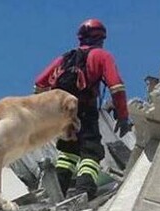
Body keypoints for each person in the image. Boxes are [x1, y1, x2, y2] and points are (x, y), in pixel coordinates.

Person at [33, 18, 132, 200]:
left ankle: (57, 193)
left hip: (62, 113)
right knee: (91, 152)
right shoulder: (101, 56)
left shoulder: (65, 58)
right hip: (85, 111)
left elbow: (40, 83)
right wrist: (123, 116)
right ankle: (84, 191)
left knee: (68, 153)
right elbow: (116, 87)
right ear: (101, 38)